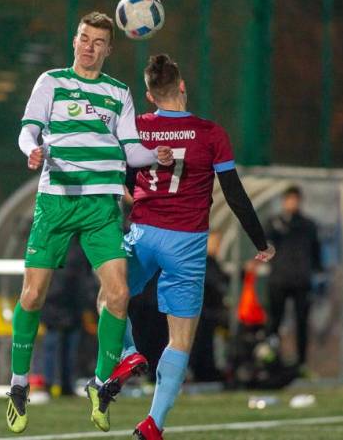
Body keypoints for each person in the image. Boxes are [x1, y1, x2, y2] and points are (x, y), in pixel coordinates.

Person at [7, 11, 174, 434]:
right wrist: (31, 150)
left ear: (108, 49)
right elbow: (27, 131)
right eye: (84, 38)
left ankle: (100, 385)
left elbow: (131, 150)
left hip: (101, 206)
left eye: (98, 42)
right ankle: (19, 384)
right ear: (74, 40)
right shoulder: (51, 82)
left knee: (118, 295)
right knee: (32, 296)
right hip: (56, 201)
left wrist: (156, 156)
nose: (89, 47)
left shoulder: (118, 93)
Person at [117, 54, 275, 440]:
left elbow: (124, 179)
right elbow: (233, 193)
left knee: (111, 297)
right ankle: (153, 423)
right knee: (180, 338)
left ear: (149, 95)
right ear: (182, 85)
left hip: (143, 232)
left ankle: (127, 353)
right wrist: (260, 240)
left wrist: (134, 201)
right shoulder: (210, 133)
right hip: (186, 242)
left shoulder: (138, 127)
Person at [265, 186, 321, 371]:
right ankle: (271, 359)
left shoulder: (308, 225)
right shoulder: (274, 223)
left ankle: (301, 364)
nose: (292, 203)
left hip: (301, 281)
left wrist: (317, 271)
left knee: (302, 323)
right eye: (289, 199)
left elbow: (316, 252)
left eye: (295, 199)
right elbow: (265, 246)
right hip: (278, 280)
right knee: (275, 321)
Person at [40, 237, 93, 397]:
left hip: (60, 301)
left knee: (58, 346)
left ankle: (55, 383)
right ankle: (61, 384)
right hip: (65, 302)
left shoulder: (53, 243)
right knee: (63, 346)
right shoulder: (80, 246)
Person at [189, 232, 230, 382]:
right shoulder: (202, 262)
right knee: (201, 343)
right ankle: (200, 371)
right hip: (202, 312)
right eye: (214, 242)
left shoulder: (213, 263)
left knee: (209, 344)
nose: (217, 246)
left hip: (210, 313)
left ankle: (206, 371)